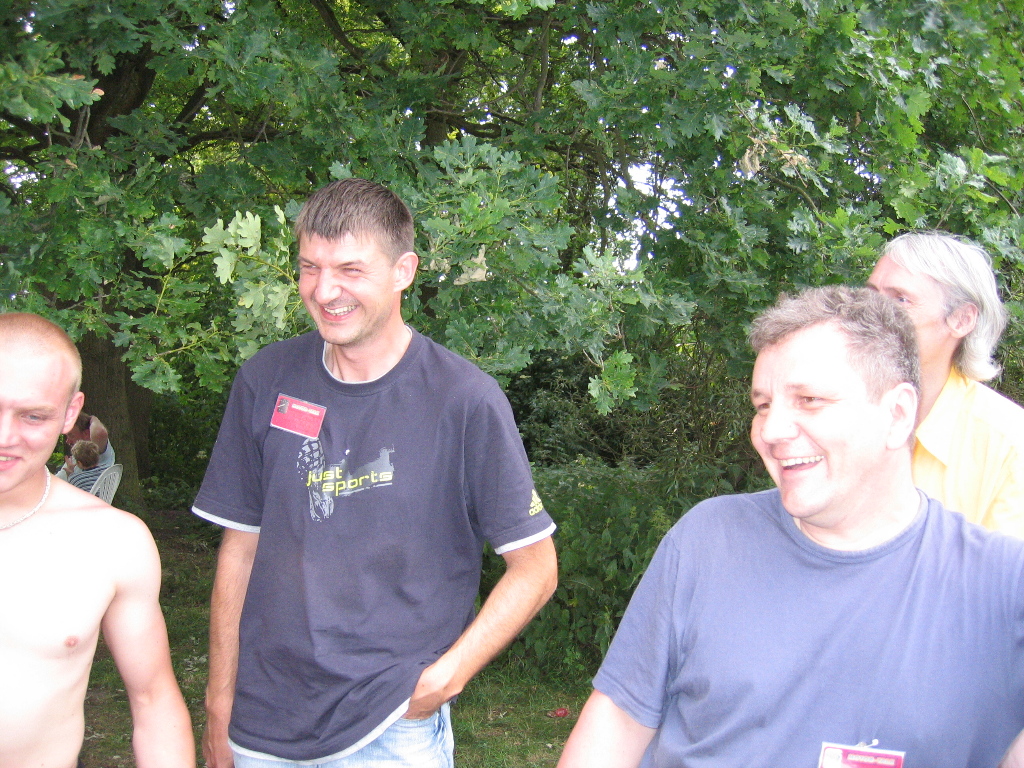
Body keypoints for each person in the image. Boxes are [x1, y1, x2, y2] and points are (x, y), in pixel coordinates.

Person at [558, 287, 1024, 768]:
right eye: (763, 405)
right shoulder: (708, 540)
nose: (771, 430)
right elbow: (615, 724)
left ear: (897, 414)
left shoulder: (1001, 587)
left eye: (809, 400)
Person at [193, 178, 558, 768]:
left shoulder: (464, 400)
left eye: (350, 270)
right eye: (310, 267)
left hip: (390, 729)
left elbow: (536, 568)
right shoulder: (266, 379)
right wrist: (218, 704)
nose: (324, 290)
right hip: (262, 726)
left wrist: (443, 680)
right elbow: (240, 549)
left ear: (402, 271)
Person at [0, 312, 194, 768]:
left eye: (33, 416)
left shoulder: (113, 541)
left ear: (71, 413)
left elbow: (154, 701)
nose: (5, 437)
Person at [868, 231, 1024, 535]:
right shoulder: (834, 412)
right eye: (871, 294)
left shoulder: (1010, 444)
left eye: (901, 299)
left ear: (962, 320)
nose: (872, 314)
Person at [57, 411, 114, 480]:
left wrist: (93, 418)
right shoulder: (74, 459)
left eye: (71, 436)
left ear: (86, 434)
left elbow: (100, 432)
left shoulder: (97, 451)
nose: (67, 441)